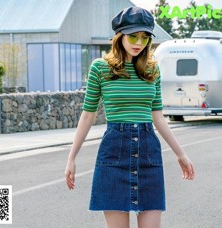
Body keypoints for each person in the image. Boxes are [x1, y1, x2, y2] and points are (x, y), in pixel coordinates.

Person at [65, 6, 195, 228]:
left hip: (148, 154)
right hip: (114, 155)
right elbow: (88, 115)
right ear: (119, 36)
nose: (139, 42)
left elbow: (158, 116)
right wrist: (71, 158)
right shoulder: (100, 68)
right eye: (133, 36)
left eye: (145, 38)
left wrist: (180, 154)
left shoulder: (152, 70)